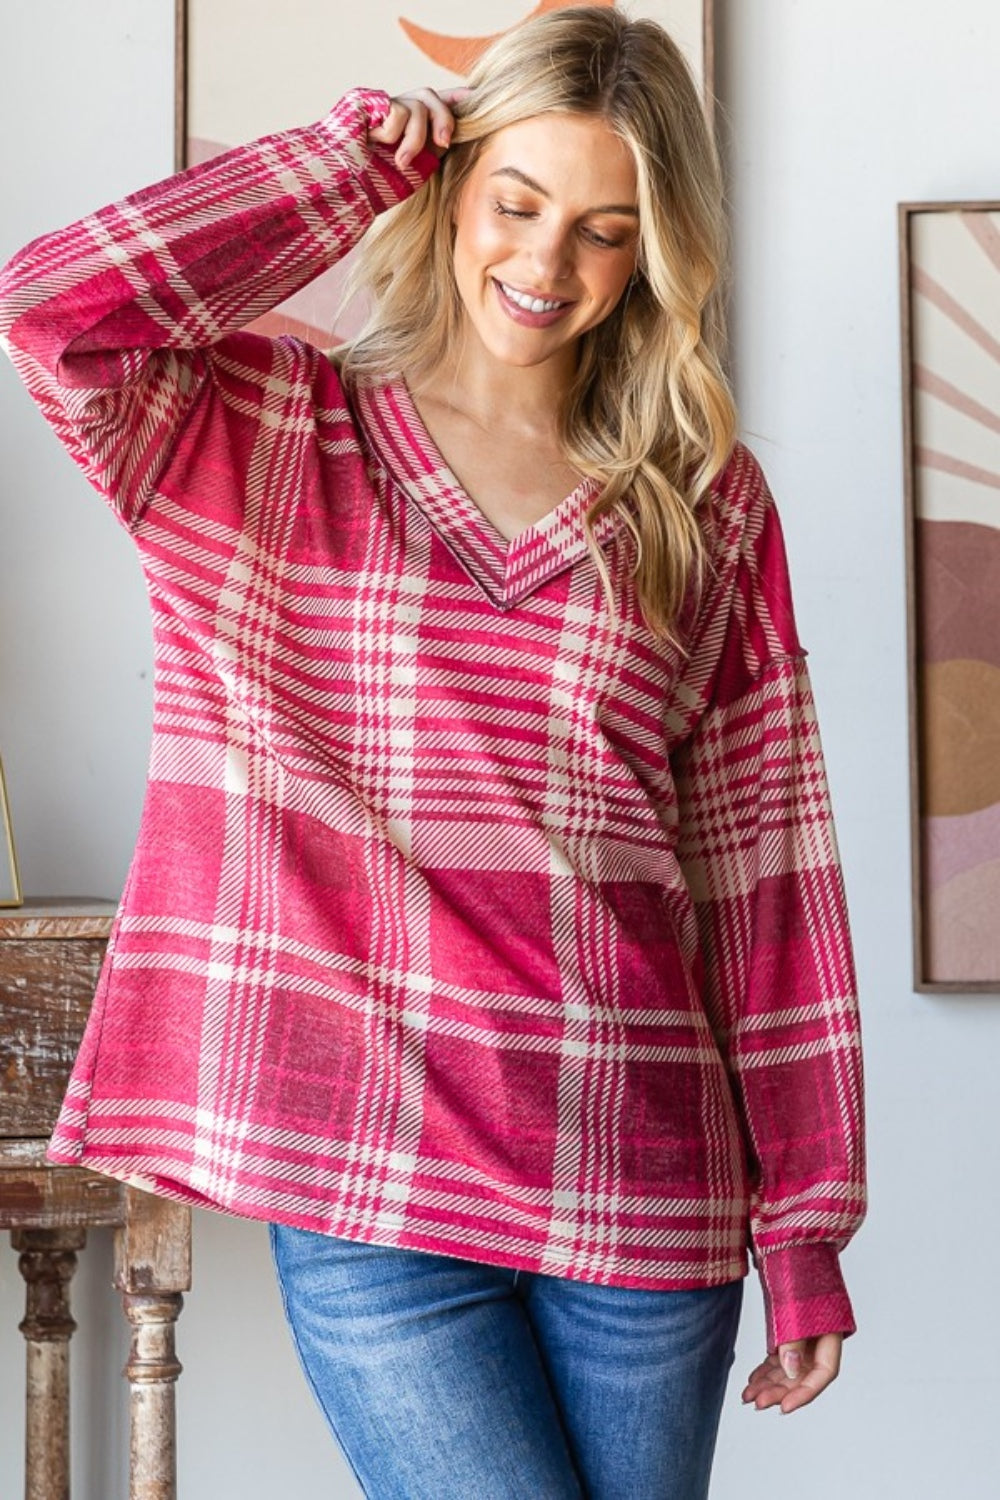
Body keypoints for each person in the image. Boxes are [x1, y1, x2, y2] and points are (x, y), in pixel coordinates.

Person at [0, 7, 866, 1497]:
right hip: (369, 1177)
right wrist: (339, 166)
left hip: (641, 1171)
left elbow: (764, 879)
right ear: (453, 185)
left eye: (605, 230)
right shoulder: (256, 427)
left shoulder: (702, 502)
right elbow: (53, 310)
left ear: (656, 252)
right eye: (518, 203)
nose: (545, 266)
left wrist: (805, 1227)